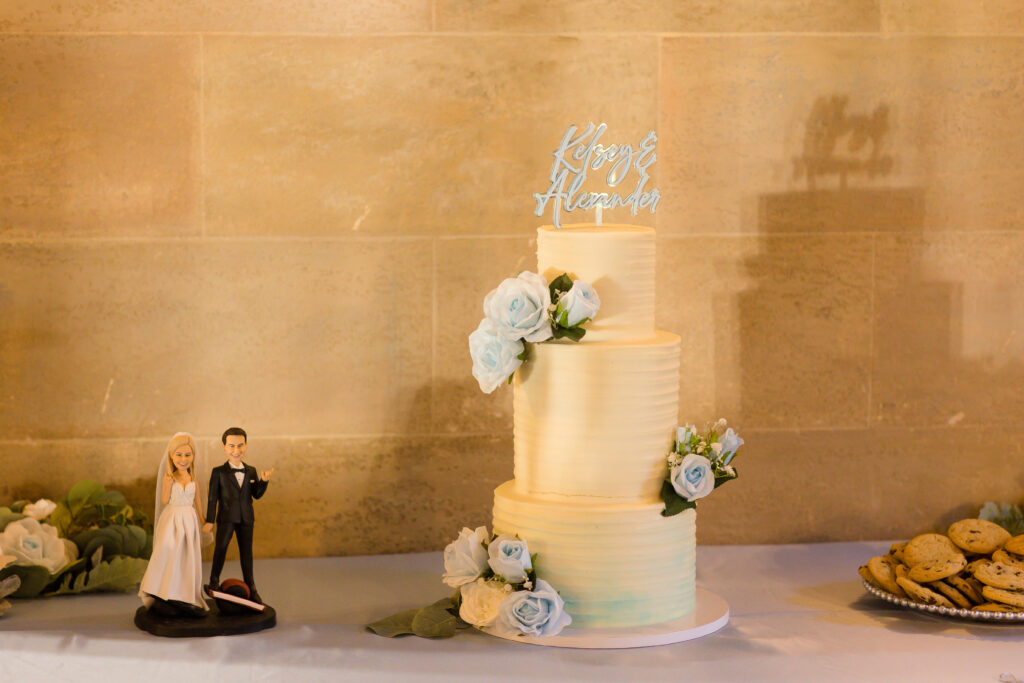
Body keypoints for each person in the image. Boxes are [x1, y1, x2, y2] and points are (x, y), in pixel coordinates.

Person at [138, 432, 210, 616]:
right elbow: (163, 500)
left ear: (193, 456)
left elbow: (198, 502)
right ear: (171, 456)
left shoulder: (193, 479)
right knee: (168, 551)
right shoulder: (169, 477)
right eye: (179, 455)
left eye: (187, 455)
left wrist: (204, 521)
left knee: (187, 556)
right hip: (172, 519)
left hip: (189, 519)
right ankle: (159, 589)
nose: (183, 459)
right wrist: (168, 485)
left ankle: (183, 595)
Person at [203, 427, 273, 604]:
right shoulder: (218, 472)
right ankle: (213, 582)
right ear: (224, 446)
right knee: (221, 549)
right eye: (232, 446)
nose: (236, 450)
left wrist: (263, 482)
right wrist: (209, 520)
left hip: (246, 519)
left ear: (246, 445)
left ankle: (252, 586)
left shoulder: (251, 470)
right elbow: (212, 499)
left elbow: (255, 494)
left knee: (246, 553)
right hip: (226, 518)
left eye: (240, 446)